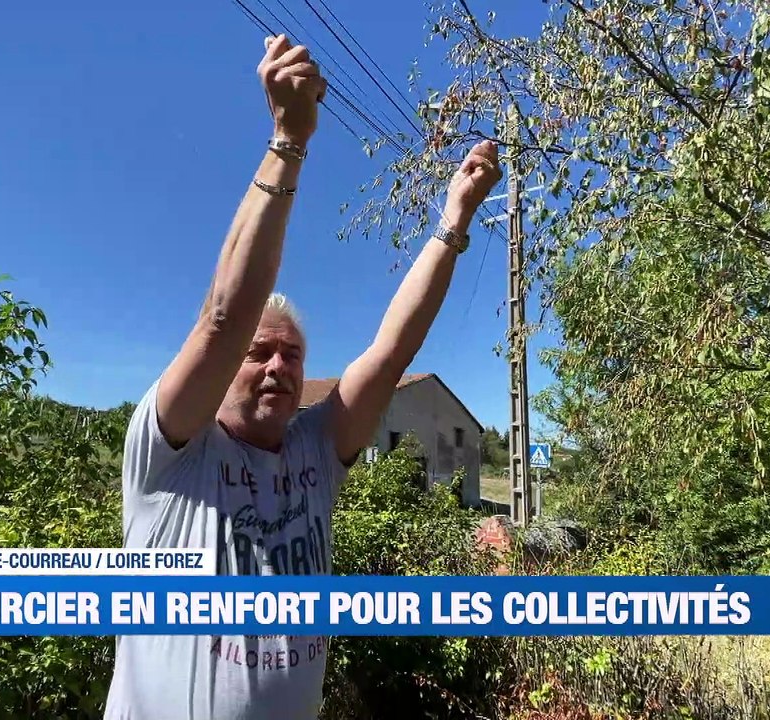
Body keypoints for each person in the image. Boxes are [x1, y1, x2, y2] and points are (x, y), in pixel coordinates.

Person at [104, 33, 502, 720]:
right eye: (260, 353)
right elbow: (225, 318)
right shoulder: (169, 454)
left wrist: (453, 223)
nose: (279, 367)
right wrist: (289, 138)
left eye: (291, 356)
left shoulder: (317, 449)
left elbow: (389, 353)